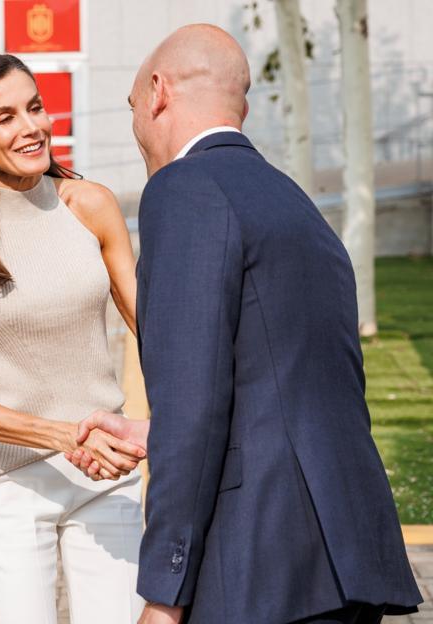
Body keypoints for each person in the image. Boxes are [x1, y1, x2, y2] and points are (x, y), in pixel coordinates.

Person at [67, 24, 423, 624]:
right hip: (347, 558)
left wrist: (162, 594)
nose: (134, 128)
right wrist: (158, 432)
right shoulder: (294, 201)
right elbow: (287, 383)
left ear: (157, 94)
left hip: (257, 569)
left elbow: (196, 403)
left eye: (132, 107)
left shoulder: (182, 192)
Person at [0, 53, 146, 623]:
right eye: (5, 117)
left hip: (106, 475)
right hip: (10, 483)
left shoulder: (90, 205)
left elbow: (157, 329)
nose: (32, 127)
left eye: (36, 107)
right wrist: (67, 433)